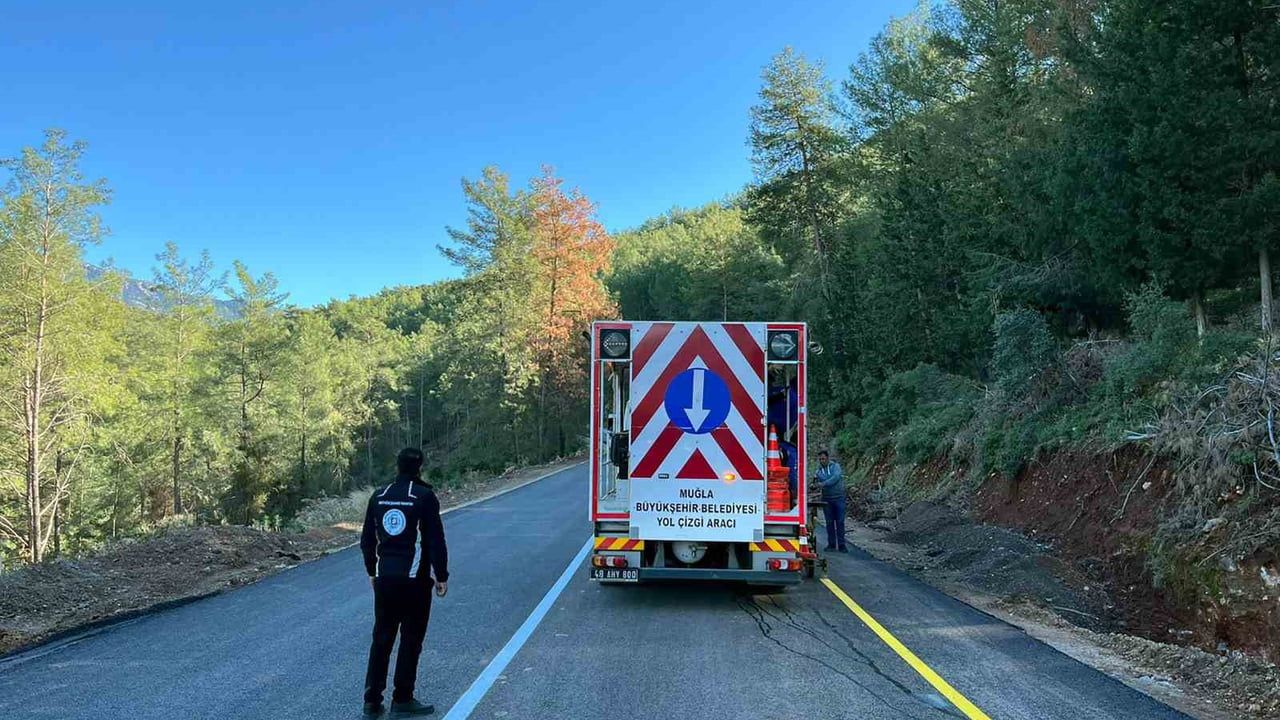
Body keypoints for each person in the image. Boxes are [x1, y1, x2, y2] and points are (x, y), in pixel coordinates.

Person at [361, 447, 449, 717]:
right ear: (419, 467)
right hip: (414, 581)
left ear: (397, 466)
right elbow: (435, 539)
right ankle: (402, 698)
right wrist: (441, 575)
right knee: (411, 640)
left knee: (382, 639)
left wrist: (372, 572)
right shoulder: (424, 496)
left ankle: (372, 702)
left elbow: (367, 540)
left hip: (385, 579)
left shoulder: (379, 496)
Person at [815, 450, 847, 552]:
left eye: (823, 459)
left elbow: (836, 478)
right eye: (820, 459)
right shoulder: (818, 471)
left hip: (839, 498)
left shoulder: (835, 467)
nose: (822, 461)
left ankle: (842, 545)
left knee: (840, 522)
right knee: (829, 523)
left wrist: (823, 483)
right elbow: (817, 481)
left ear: (828, 458)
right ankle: (831, 544)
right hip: (827, 499)